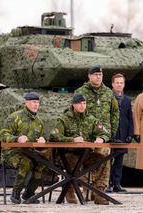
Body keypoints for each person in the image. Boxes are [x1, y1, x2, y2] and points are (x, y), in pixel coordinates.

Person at [49, 93, 111, 205]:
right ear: (73, 105)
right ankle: (69, 189)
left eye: (84, 103)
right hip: (68, 154)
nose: (82, 106)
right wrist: (72, 140)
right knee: (73, 162)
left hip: (86, 154)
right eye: (79, 103)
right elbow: (53, 136)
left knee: (103, 160)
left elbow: (105, 133)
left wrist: (101, 138)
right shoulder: (64, 119)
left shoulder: (91, 119)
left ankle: (99, 193)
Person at [74, 65, 119, 196]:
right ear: (89, 76)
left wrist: (110, 132)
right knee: (85, 162)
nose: (98, 77)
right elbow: (73, 113)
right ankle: (86, 190)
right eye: (95, 75)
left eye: (100, 75)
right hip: (86, 136)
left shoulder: (108, 93)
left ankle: (99, 191)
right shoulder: (80, 92)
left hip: (103, 137)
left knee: (104, 161)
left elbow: (115, 113)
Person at [0, 92, 51, 204]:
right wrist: (16, 138)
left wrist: (43, 139)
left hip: (30, 152)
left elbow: (43, 136)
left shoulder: (39, 122)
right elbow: (3, 135)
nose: (36, 105)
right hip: (12, 153)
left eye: (38, 102)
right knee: (26, 162)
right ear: (26, 103)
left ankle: (28, 193)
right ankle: (15, 193)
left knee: (44, 163)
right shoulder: (15, 117)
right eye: (33, 102)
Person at [106, 73, 133, 193]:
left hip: (122, 135)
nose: (119, 85)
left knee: (119, 161)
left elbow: (129, 118)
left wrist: (130, 134)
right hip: (109, 135)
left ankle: (117, 184)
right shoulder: (107, 97)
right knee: (107, 161)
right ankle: (107, 184)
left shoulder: (127, 100)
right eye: (117, 82)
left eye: (121, 82)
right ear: (112, 84)